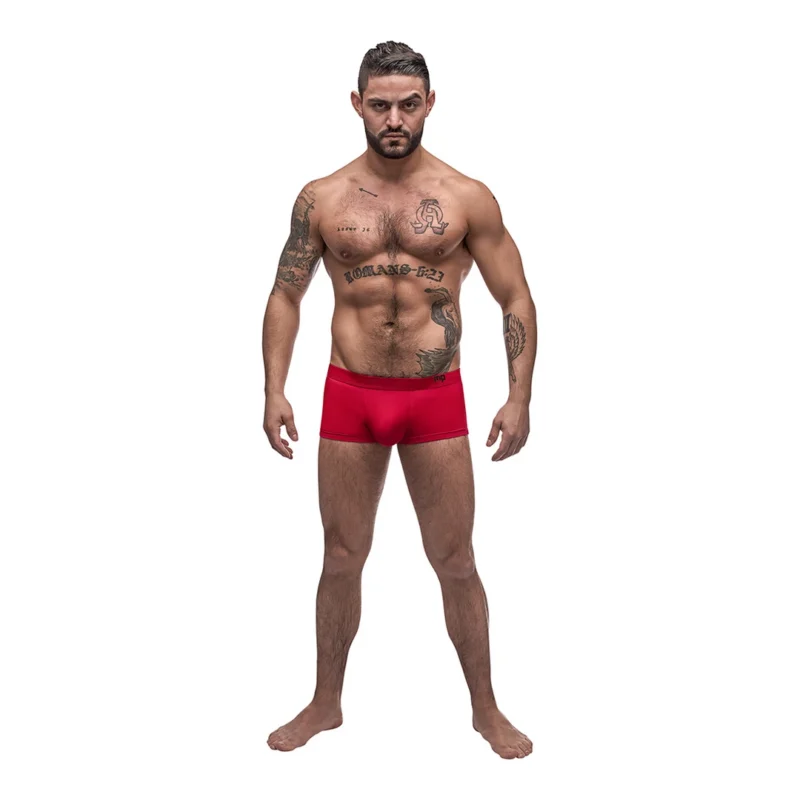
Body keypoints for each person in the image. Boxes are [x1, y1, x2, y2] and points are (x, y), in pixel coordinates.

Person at [262, 41, 537, 760]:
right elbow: (286, 294)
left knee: (455, 560)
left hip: (433, 398)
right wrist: (273, 388)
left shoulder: (465, 196)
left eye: (408, 104)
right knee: (340, 556)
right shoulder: (322, 197)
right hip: (350, 394)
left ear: (430, 104)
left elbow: (515, 295)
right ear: (357, 104)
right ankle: (325, 703)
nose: (394, 119)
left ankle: (486, 708)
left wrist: (518, 397)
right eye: (380, 104)